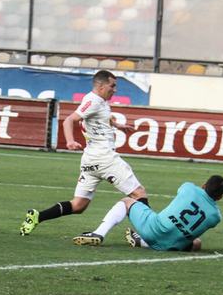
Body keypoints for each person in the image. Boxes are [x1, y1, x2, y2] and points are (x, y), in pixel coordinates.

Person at [19, 69, 149, 245]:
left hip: (90, 160)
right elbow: (69, 120)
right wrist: (70, 141)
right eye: (112, 86)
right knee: (139, 193)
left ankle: (37, 216)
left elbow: (100, 118)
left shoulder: (100, 101)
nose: (115, 89)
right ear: (101, 86)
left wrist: (118, 126)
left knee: (78, 205)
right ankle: (148, 236)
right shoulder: (93, 101)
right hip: (105, 158)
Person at [120, 175, 223, 251]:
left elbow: (184, 192)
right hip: (173, 246)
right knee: (197, 243)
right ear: (220, 197)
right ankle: (146, 242)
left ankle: (143, 241)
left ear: (204, 185)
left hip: (155, 230)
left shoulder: (188, 187)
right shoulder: (216, 217)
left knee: (127, 202)